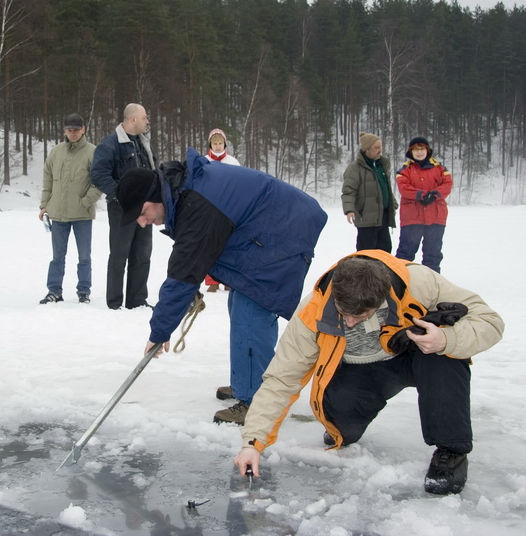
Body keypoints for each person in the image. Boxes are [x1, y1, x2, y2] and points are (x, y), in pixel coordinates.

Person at [234, 251, 504, 495]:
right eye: (344, 313)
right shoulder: (311, 313)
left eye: (361, 316)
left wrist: (447, 338)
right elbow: (282, 378)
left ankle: (451, 451)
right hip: (361, 371)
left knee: (446, 356)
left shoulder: (419, 282)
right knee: (342, 422)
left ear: (382, 295)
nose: (350, 322)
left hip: (415, 355)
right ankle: (343, 427)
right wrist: (252, 443)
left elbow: (491, 321)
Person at [116, 148, 328, 425]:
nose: (143, 223)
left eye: (142, 213)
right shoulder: (185, 194)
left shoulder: (196, 203)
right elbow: (192, 261)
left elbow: (182, 273)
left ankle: (258, 401)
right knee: (240, 305)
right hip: (270, 227)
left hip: (284, 231)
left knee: (252, 310)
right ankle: (247, 384)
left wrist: (160, 331)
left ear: (154, 197)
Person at [91, 103, 157, 310]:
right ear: (133, 119)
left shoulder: (144, 144)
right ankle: (115, 303)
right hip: (122, 208)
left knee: (143, 254)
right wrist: (122, 195)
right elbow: (98, 175)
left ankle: (137, 301)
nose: (147, 121)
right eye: (145, 117)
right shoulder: (110, 144)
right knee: (120, 255)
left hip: (145, 208)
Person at [38, 113, 102, 304]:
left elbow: (99, 181)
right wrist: (44, 204)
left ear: (84, 130)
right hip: (58, 213)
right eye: (69, 130)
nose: (72, 133)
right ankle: (54, 291)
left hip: (82, 214)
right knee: (57, 256)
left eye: (76, 130)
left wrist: (85, 202)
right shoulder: (57, 151)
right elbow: (47, 177)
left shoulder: (92, 152)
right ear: (65, 131)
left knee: (84, 256)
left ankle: (84, 291)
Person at [395, 136, 453, 273]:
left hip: (435, 218)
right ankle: (399, 282)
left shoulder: (440, 169)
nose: (419, 152)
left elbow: (447, 184)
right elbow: (404, 188)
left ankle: (432, 284)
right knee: (405, 253)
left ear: (427, 150)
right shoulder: (404, 170)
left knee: (433, 254)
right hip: (412, 219)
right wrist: (420, 195)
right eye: (415, 150)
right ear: (411, 152)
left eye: (421, 149)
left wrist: (434, 195)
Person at [342, 132, 398, 252]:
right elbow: (348, 191)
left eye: (380, 147)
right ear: (367, 149)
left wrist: (393, 203)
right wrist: (349, 209)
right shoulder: (354, 169)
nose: (380, 150)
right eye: (376, 148)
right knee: (366, 254)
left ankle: (383, 271)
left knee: (385, 251)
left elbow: (385, 188)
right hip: (365, 218)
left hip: (383, 216)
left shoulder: (381, 165)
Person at [204, 128, 240, 293]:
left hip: (229, 209)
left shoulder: (233, 162)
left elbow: (241, 184)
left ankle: (229, 280)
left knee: (229, 245)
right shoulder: (203, 161)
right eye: (214, 143)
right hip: (209, 209)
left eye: (220, 143)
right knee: (210, 245)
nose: (217, 146)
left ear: (224, 144)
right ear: (210, 144)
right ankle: (212, 281)